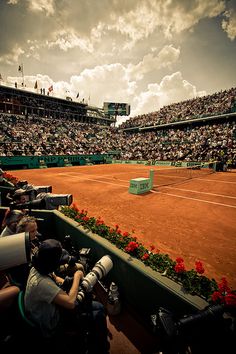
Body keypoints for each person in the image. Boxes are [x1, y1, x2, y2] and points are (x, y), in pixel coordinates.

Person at [24, 239, 109, 353]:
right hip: (52, 324)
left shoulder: (38, 267)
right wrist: (77, 277)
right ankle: (99, 348)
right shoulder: (42, 283)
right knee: (98, 312)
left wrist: (68, 281)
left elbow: (54, 277)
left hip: (49, 309)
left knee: (97, 307)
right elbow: (70, 303)